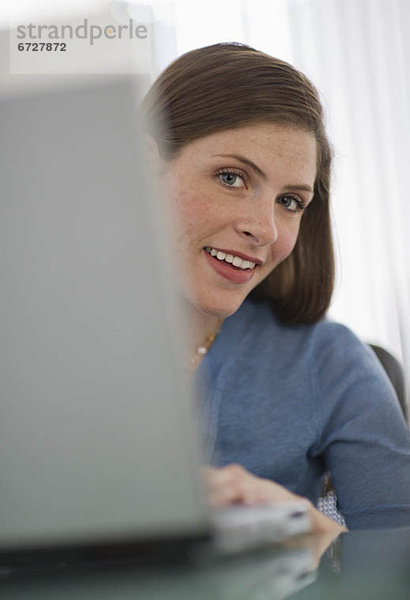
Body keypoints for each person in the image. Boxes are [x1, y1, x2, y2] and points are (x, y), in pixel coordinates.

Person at [141, 42, 410, 535]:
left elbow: (394, 572)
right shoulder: (34, 345)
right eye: (231, 177)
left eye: (290, 200)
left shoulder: (329, 362)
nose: (265, 229)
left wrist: (318, 543)